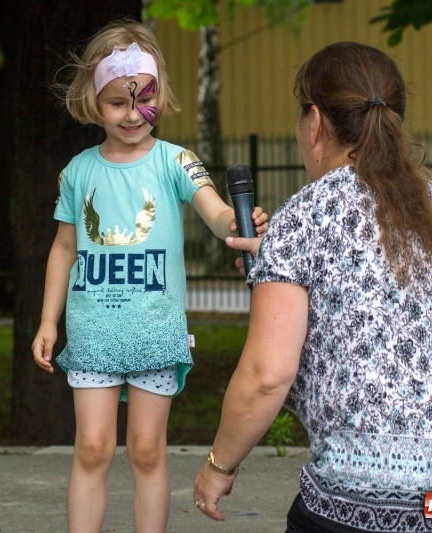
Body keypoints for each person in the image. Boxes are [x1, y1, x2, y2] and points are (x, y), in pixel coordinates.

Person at [192, 41, 432, 533]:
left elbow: (265, 375)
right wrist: (277, 268)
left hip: (385, 501)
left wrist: (218, 467)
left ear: (315, 121)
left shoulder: (306, 215)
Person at [31, 19, 268, 533]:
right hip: (93, 334)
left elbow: (217, 213)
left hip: (155, 334)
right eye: (119, 102)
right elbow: (63, 248)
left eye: (145, 100)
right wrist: (48, 322)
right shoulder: (77, 172)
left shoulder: (177, 161)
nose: (134, 114)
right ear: (94, 102)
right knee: (92, 448)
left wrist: (241, 222)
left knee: (144, 449)